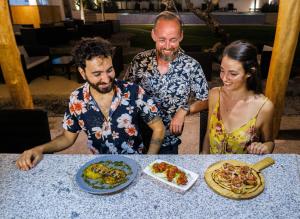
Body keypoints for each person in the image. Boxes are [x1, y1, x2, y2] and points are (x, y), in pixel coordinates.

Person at [16, 38, 165, 171]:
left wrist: (148, 161)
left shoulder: (134, 91)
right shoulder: (77, 99)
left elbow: (158, 128)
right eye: (97, 74)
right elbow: (67, 138)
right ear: (82, 73)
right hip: (100, 168)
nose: (106, 79)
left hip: (136, 163)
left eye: (110, 70)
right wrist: (39, 148)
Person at [125, 11, 209, 154]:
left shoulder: (192, 66)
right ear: (153, 35)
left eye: (173, 40)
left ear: (181, 36)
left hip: (169, 142)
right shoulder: (140, 60)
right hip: (136, 137)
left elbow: (205, 100)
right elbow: (125, 93)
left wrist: (184, 110)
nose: (168, 46)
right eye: (162, 40)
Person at [203, 40, 274, 154]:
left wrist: (264, 147)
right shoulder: (215, 95)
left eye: (233, 74)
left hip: (244, 170)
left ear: (249, 72)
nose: (224, 78)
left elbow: (269, 142)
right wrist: (202, 158)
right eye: (222, 71)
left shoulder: (264, 107)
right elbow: (208, 135)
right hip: (212, 170)